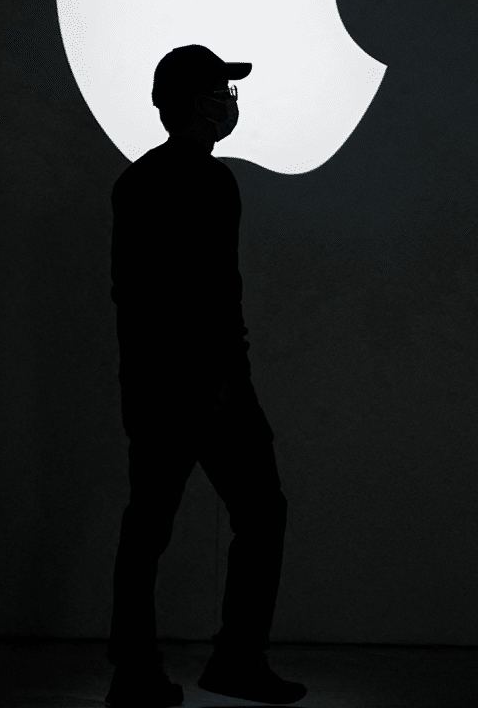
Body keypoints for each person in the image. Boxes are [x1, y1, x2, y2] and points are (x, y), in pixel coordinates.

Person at [106, 46, 306, 708]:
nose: (231, 103)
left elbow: (135, 298)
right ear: (197, 103)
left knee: (148, 527)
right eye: (223, 91)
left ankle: (136, 672)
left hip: (157, 387)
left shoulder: (136, 182)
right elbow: (213, 295)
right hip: (206, 386)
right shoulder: (209, 182)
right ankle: (235, 660)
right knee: (259, 512)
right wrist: (227, 383)